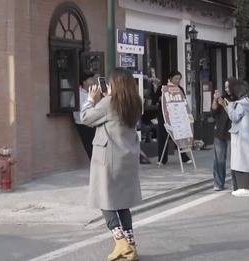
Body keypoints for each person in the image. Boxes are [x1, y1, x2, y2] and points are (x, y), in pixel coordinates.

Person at [81, 68, 143, 261]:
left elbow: (86, 118)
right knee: (122, 203)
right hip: (127, 157)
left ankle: (120, 241)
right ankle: (131, 245)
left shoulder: (109, 102)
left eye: (108, 83)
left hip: (107, 158)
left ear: (113, 84)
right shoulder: (135, 102)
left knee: (104, 198)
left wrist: (91, 99)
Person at [225, 80, 249, 198]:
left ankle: (244, 188)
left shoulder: (241, 104)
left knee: (241, 162)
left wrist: (229, 106)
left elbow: (234, 117)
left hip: (242, 138)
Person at [157, 70, 192, 165]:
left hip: (177, 116)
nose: (177, 81)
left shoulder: (180, 89)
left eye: (179, 79)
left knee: (180, 136)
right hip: (164, 116)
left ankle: (184, 157)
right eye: (175, 78)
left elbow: (184, 101)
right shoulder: (163, 88)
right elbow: (155, 99)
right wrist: (160, 98)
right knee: (163, 137)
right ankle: (162, 159)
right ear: (170, 78)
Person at [211, 79, 235, 191]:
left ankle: (237, 183)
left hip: (233, 132)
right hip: (220, 132)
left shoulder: (238, 99)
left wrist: (224, 104)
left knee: (234, 159)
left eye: (228, 87)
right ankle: (218, 183)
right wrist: (215, 99)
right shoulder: (223, 98)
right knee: (219, 159)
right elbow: (213, 111)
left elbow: (234, 115)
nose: (227, 89)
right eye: (225, 87)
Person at [73, 72, 98, 160]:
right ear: (84, 82)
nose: (92, 81)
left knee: (94, 147)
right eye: (90, 79)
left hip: (91, 123)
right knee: (90, 147)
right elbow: (78, 109)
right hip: (83, 124)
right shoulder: (78, 93)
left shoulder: (88, 93)